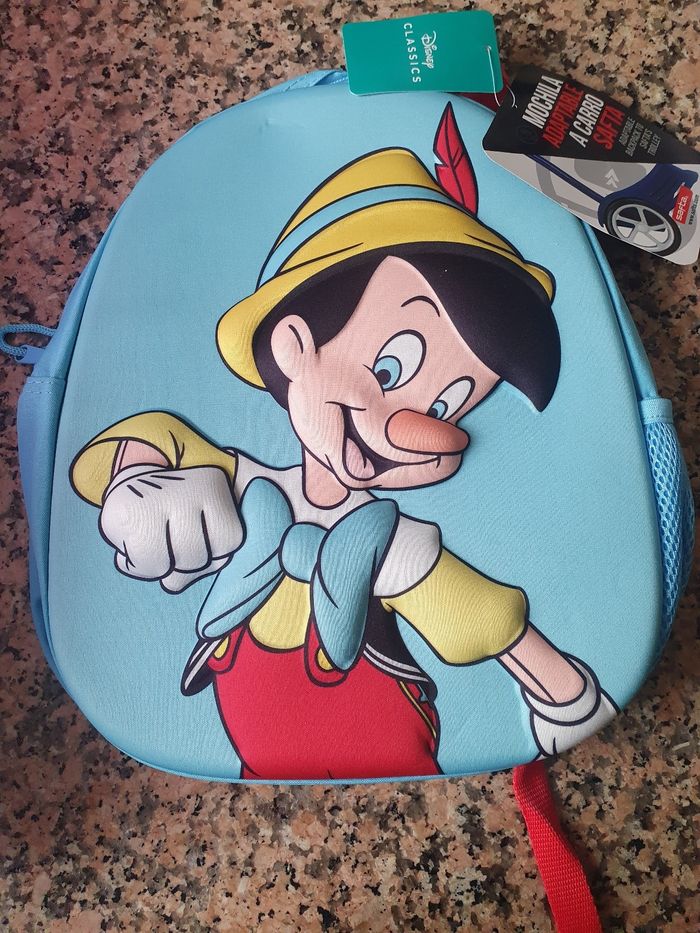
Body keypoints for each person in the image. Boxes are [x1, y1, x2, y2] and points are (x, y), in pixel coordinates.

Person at [70, 105, 615, 780]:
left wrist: (565, 695)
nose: (427, 429)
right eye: (389, 369)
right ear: (293, 344)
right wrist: (141, 479)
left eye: (447, 405)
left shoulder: (390, 545)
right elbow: (156, 435)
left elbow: (476, 615)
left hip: (389, 727)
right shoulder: (245, 490)